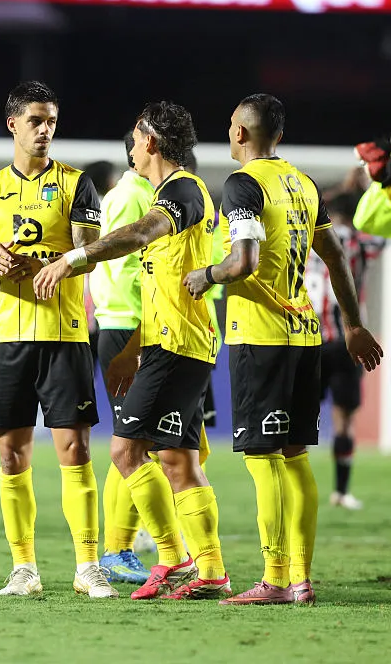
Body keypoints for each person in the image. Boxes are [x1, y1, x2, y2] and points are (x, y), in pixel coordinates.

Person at [183, 93, 382, 605]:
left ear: (243, 134)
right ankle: (301, 579)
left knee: (261, 457)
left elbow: (243, 261)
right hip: (306, 338)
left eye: (231, 126)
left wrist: (206, 275)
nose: (228, 133)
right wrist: (354, 325)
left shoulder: (243, 185)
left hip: (261, 337)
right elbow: (336, 257)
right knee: (295, 457)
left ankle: (274, 578)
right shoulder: (303, 183)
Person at [38, 101, 229, 601]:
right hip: (169, 338)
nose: (132, 145)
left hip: (176, 344)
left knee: (126, 449)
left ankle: (172, 558)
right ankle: (209, 569)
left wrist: (74, 257)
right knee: (181, 459)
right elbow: (158, 279)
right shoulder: (172, 190)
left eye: (137, 135)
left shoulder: (182, 190)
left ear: (151, 141)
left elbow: (142, 234)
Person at [0, 81, 115, 598]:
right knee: (10, 455)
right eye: (36, 121)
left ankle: (88, 565)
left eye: (51, 121)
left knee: (74, 449)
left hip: (66, 333)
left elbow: (89, 253)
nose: (45, 130)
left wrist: (53, 264)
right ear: (13, 125)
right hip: (7, 338)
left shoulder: (77, 183)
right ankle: (24, 568)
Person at [89, 132, 156, 584]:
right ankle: (116, 548)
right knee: (131, 442)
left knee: (150, 442)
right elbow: (123, 265)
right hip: (128, 326)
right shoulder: (134, 197)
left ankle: (136, 541)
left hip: (132, 325)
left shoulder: (136, 195)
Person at [304, 192, 384, 510]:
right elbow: (381, 235)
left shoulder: (305, 237)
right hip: (344, 343)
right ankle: (341, 491)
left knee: (300, 422)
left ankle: (301, 490)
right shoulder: (359, 242)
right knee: (343, 420)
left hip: (310, 341)